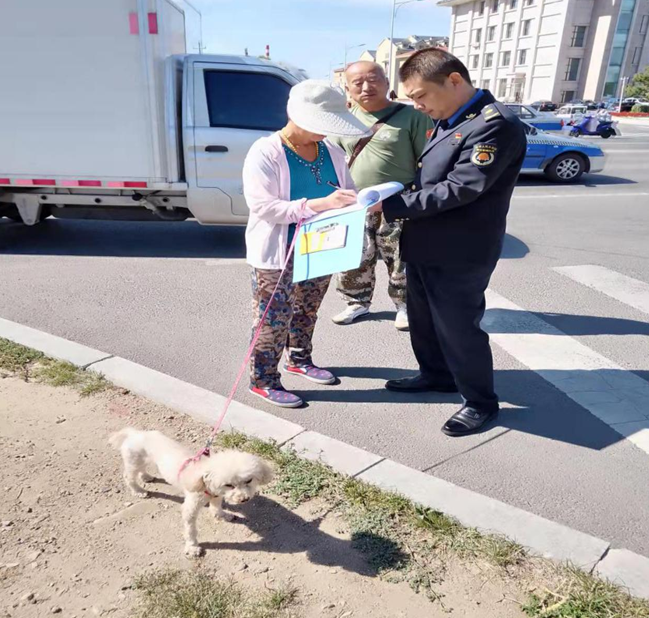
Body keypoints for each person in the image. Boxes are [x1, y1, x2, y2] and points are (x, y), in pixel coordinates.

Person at [376, 48, 526, 436]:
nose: (417, 105)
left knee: (459, 327)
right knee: (424, 321)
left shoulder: (495, 124)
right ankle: (436, 375)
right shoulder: (450, 117)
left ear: (454, 81)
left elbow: (462, 188)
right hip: (427, 241)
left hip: (461, 250)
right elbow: (430, 176)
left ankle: (480, 402)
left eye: (421, 95)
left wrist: (392, 204)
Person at [242, 80, 370, 409]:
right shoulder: (266, 151)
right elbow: (264, 207)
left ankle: (299, 359)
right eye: (321, 126)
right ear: (296, 116)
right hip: (277, 252)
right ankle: (263, 379)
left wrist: (356, 202)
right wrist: (320, 204)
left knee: (307, 309)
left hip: (321, 247)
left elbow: (346, 191)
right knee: (273, 317)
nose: (325, 133)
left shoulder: (333, 152)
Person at [330, 61, 433, 330]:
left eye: (373, 79)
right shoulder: (343, 120)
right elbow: (334, 160)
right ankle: (357, 302)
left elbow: (427, 161)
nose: (366, 87)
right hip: (355, 204)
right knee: (354, 256)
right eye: (357, 82)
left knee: (400, 257)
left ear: (387, 83)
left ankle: (404, 306)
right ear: (348, 87)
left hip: (397, 202)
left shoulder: (413, 117)